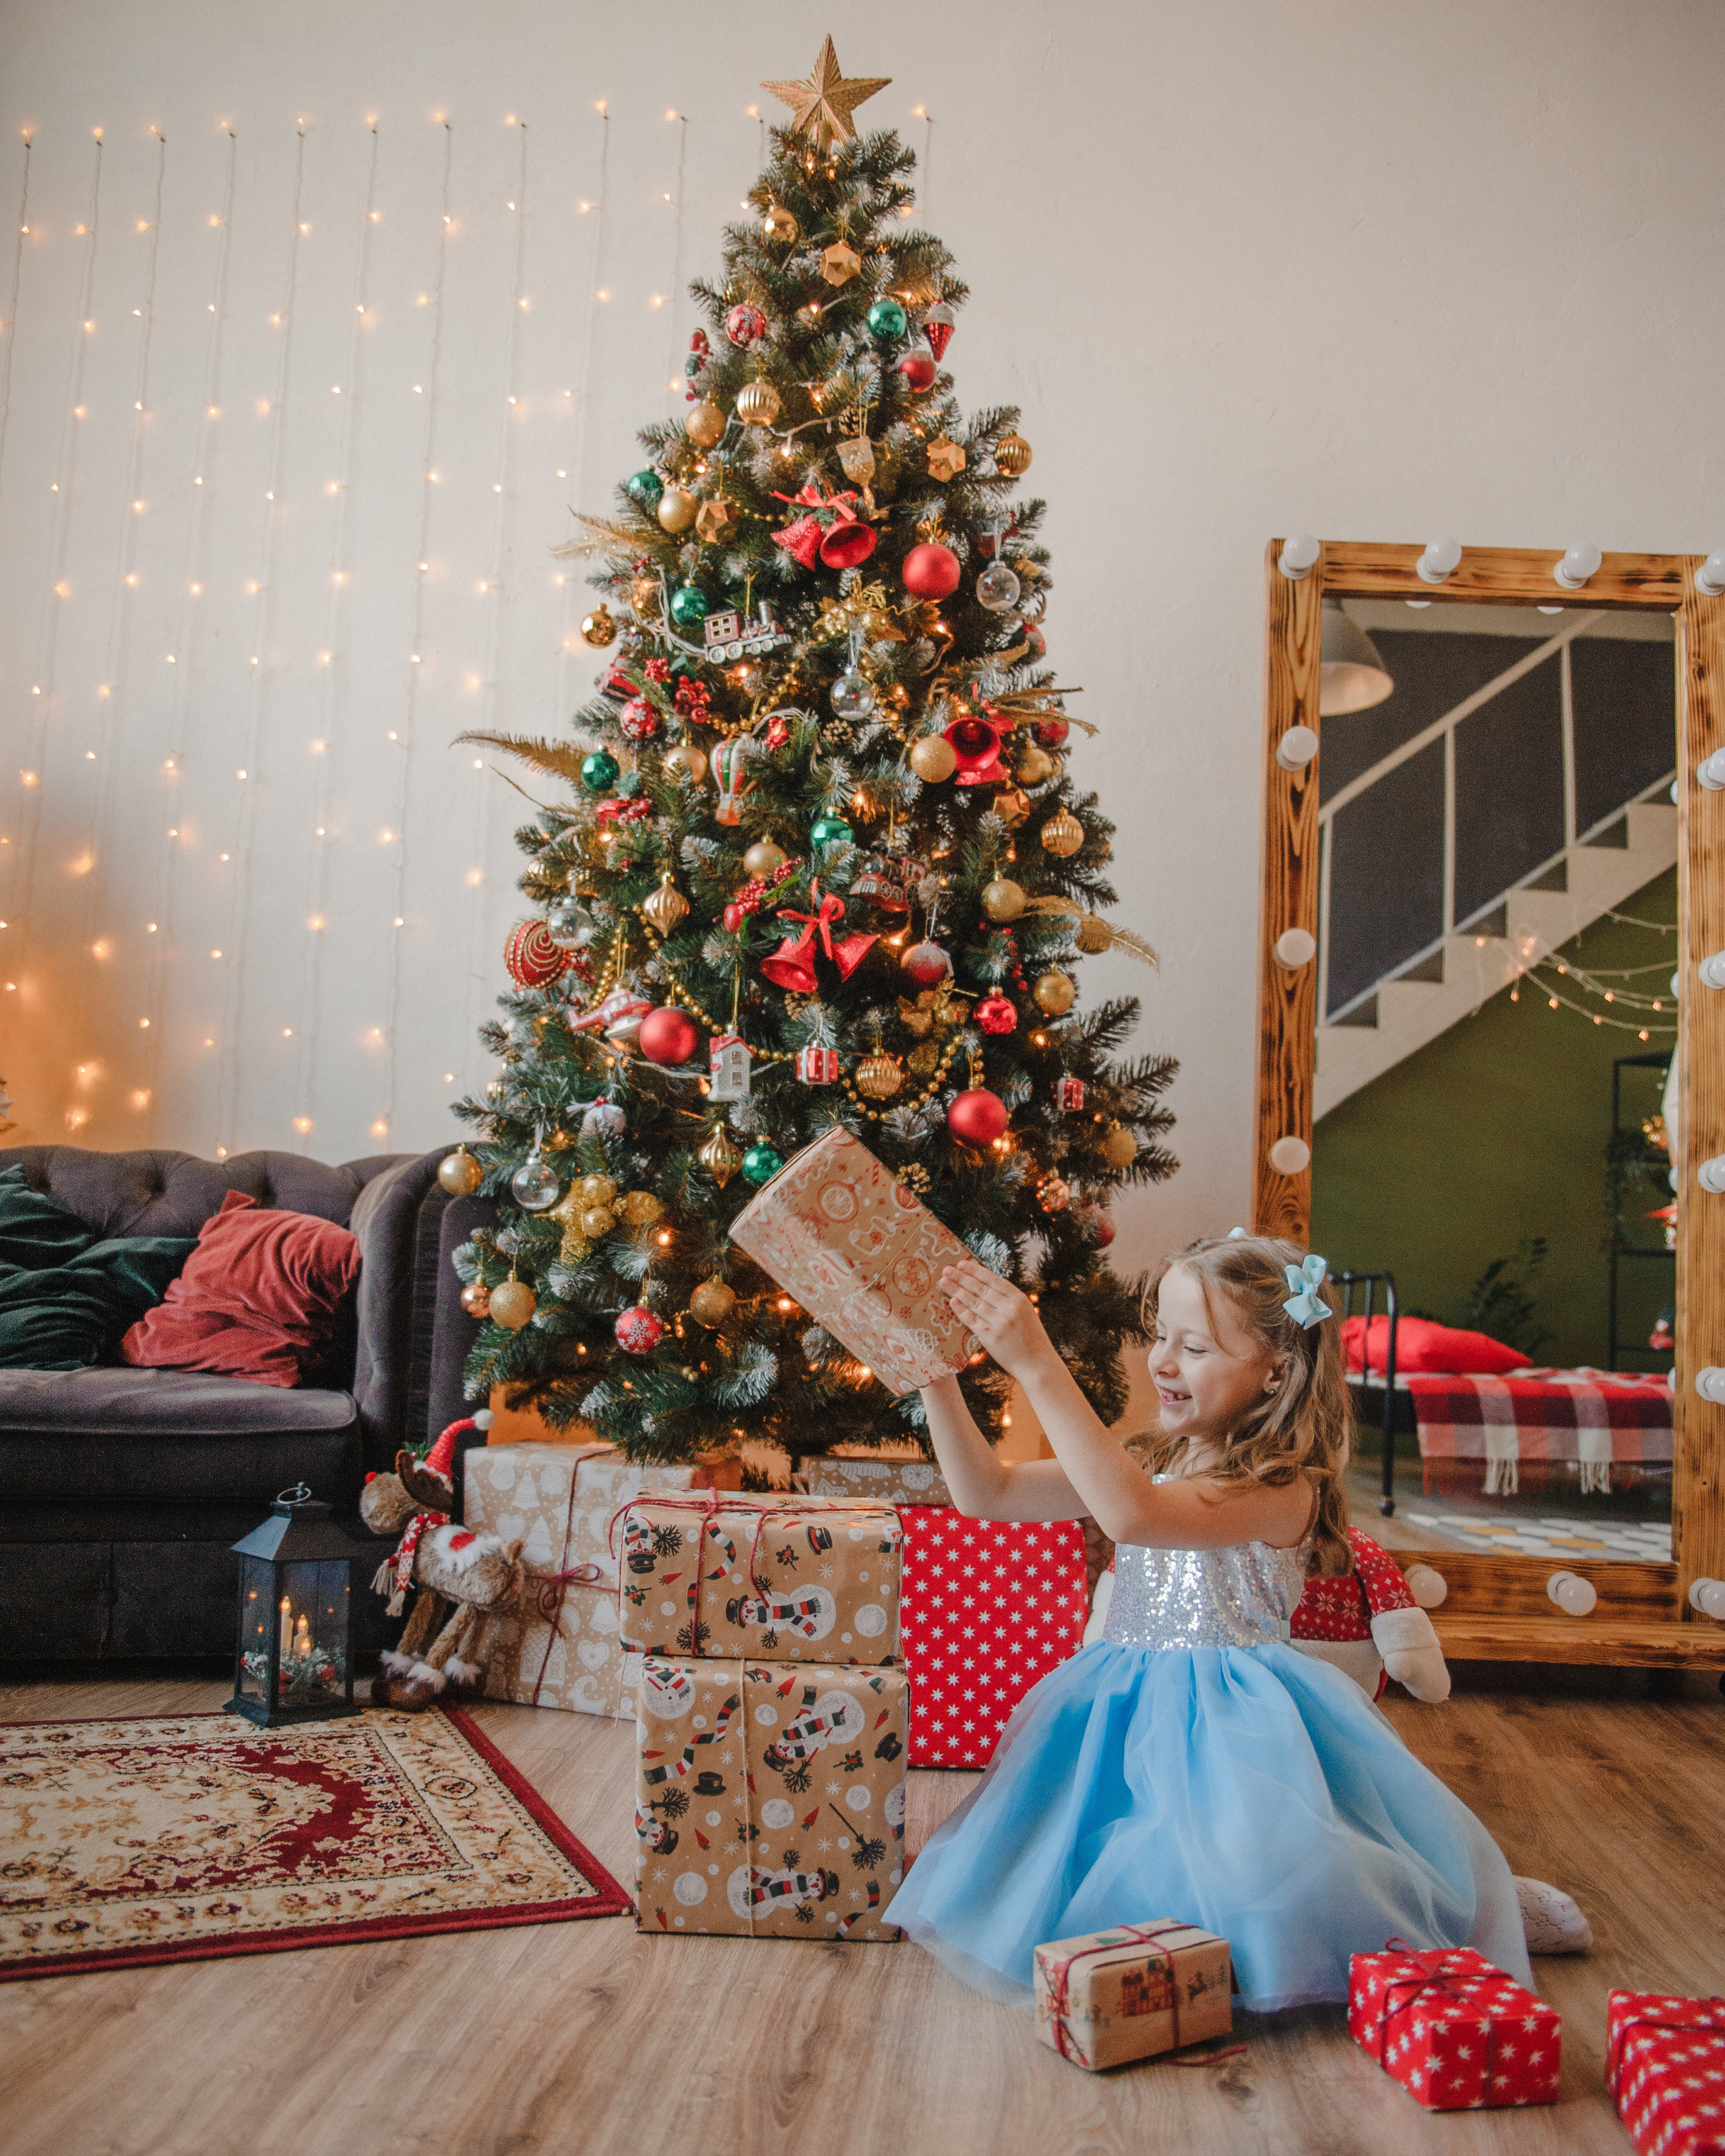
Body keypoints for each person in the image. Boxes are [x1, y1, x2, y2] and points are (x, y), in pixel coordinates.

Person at [881, 1233, 1535, 2009]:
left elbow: (1131, 1514)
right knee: (1059, 1859)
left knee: (1259, 1879)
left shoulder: (1282, 1485)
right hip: (1116, 1709)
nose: (1160, 1360)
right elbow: (986, 1493)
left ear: (1276, 1372)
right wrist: (931, 1375)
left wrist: (1036, 1362)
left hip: (1229, 1726)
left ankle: (1472, 1907)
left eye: (1191, 1345)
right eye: (1161, 1336)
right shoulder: (1152, 1460)